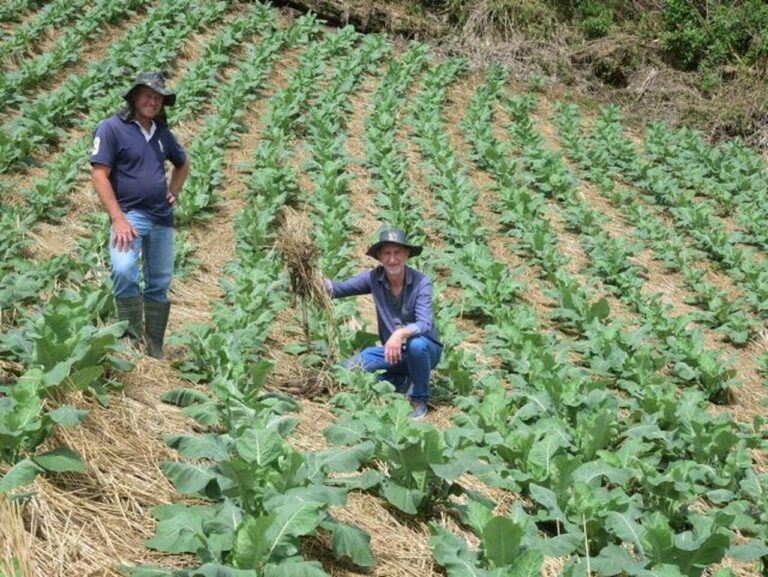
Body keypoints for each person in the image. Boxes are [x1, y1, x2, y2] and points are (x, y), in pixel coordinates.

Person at [90, 71, 190, 359]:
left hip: (161, 218)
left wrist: (175, 191)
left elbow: (183, 164)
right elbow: (99, 175)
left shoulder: (161, 133)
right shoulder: (111, 128)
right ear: (134, 97)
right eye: (147, 95)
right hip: (130, 216)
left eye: (158, 97)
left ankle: (154, 346)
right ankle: (130, 340)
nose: (153, 101)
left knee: (159, 282)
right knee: (123, 270)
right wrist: (118, 218)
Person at [327, 229, 443, 419]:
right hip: (393, 353)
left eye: (397, 253)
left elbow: (424, 323)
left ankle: (418, 399)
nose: (392, 259)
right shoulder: (374, 278)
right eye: (387, 253)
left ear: (406, 255)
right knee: (352, 368)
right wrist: (313, 280)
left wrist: (399, 334)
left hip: (425, 351)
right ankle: (401, 381)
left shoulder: (422, 282)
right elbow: (337, 289)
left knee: (416, 344)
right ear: (380, 257)